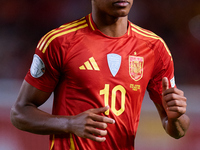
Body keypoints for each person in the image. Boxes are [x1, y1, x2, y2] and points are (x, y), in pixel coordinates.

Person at [10, 0, 190, 150]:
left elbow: (177, 129)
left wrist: (176, 118)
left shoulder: (154, 48)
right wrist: (70, 124)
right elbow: (20, 113)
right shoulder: (60, 42)